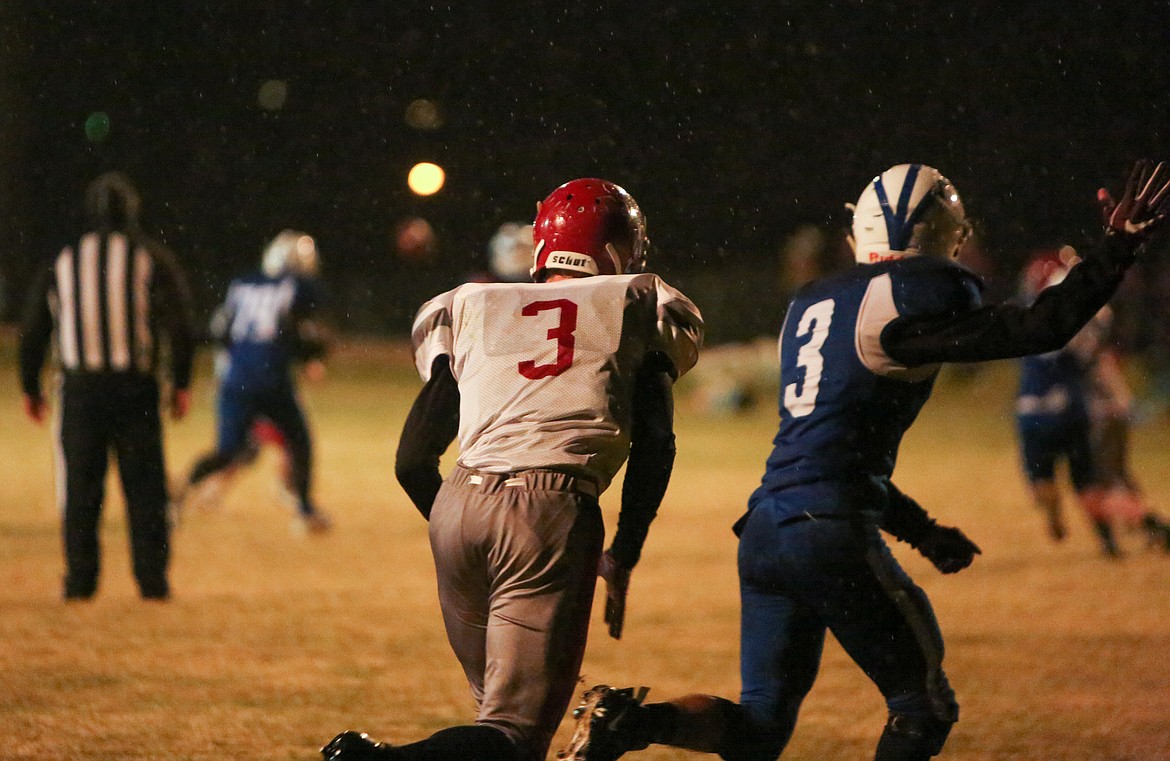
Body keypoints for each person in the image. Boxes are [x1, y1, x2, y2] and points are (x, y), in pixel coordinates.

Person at [559, 160, 1170, 761]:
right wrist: (1117, 248)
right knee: (923, 706)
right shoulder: (909, 299)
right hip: (827, 530)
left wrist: (924, 532)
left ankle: (628, 722)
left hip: (768, 530)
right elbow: (1043, 327)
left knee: (761, 724)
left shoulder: (813, 305)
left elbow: (835, 453)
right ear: (945, 237)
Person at [320, 178, 704, 761]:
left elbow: (411, 461)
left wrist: (463, 517)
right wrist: (624, 549)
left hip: (458, 504)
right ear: (623, 248)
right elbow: (656, 441)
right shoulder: (641, 300)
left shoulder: (470, 303)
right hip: (548, 508)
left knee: (491, 726)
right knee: (513, 733)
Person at [18, 171, 195, 601]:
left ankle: (81, 580)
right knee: (145, 489)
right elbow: (181, 324)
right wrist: (182, 381)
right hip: (135, 389)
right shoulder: (149, 257)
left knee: (81, 490)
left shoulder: (65, 258)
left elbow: (34, 328)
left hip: (80, 390)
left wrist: (30, 385)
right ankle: (152, 580)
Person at [1014, 253, 1170, 556]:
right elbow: (1094, 337)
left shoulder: (1027, 318)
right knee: (1092, 486)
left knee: (1053, 481)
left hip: (1034, 412)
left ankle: (1054, 503)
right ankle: (1133, 530)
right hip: (1074, 411)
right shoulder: (1081, 318)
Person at [179, 230, 332, 533]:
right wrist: (310, 355)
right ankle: (304, 511)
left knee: (227, 451)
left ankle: (177, 494)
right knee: (299, 442)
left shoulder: (242, 284)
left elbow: (221, 331)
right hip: (271, 378)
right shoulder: (298, 286)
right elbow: (301, 329)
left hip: (235, 380)